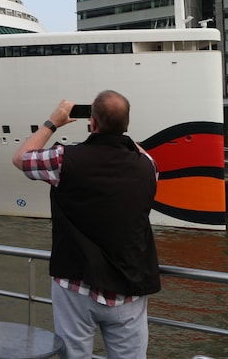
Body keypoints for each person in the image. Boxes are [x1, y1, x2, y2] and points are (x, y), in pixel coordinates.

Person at [12, 90, 160, 359]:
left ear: (92, 123)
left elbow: (21, 158)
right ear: (126, 126)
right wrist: (118, 129)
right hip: (129, 285)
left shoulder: (64, 159)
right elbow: (143, 154)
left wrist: (53, 122)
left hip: (75, 283)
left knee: (74, 355)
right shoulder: (147, 167)